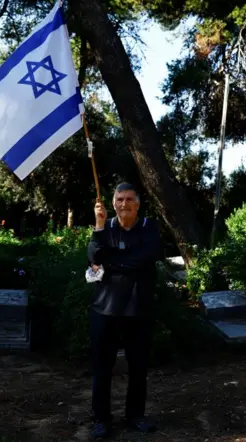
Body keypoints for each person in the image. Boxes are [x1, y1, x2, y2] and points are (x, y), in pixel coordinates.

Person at [87, 182, 163, 439]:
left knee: (138, 367)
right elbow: (94, 258)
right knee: (102, 368)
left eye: (129, 199)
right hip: (104, 309)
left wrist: (110, 262)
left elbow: (142, 259)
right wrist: (98, 225)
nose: (124, 204)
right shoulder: (104, 227)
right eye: (119, 199)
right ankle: (101, 419)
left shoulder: (149, 228)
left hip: (138, 309)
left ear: (138, 203)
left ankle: (135, 416)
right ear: (113, 202)